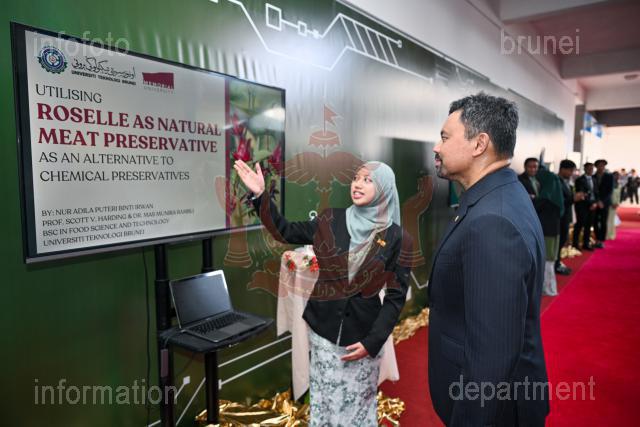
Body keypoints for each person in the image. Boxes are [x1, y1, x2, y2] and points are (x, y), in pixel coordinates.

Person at [234, 158, 412, 426]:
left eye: (368, 180)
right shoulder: (331, 220)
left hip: (363, 337)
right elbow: (285, 231)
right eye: (356, 178)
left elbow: (395, 298)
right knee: (325, 403)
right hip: (324, 333)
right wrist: (261, 196)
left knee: (357, 409)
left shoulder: (399, 239)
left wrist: (372, 342)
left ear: (385, 189)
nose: (358, 184)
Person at [429, 93, 549, 426]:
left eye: (445, 137)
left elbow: (492, 356)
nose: (437, 148)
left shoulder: (492, 221)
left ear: (479, 144)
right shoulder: (500, 196)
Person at [535, 166, 564, 295]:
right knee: (550, 261)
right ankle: (550, 287)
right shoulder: (555, 197)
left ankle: (548, 289)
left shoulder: (544, 198)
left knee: (546, 261)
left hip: (546, 233)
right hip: (554, 232)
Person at [555, 160, 585, 275]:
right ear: (563, 169)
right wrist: (573, 198)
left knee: (562, 241)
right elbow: (558, 201)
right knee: (559, 242)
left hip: (565, 216)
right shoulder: (556, 181)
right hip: (559, 217)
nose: (572, 173)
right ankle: (556, 265)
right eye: (571, 170)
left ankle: (557, 263)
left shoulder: (565, 181)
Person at [572, 163, 597, 250]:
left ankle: (586, 243)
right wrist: (591, 204)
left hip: (593, 206)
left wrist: (595, 203)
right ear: (585, 169)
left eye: (592, 169)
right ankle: (575, 244)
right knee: (579, 225)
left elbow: (596, 192)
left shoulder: (594, 179)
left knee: (588, 225)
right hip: (582, 206)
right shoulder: (579, 180)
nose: (591, 170)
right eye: (589, 168)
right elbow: (581, 193)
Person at [592, 159, 614, 248]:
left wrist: (602, 201)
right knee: (594, 221)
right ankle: (597, 239)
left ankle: (601, 240)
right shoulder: (593, 177)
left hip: (605, 203)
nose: (601, 167)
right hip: (595, 203)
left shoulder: (609, 177)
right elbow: (592, 191)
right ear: (596, 166)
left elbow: (610, 191)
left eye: (603, 165)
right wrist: (597, 201)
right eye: (599, 165)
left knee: (603, 221)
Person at [607, 171, 621, 240]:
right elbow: (607, 195)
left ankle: (612, 235)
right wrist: (611, 203)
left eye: (618, 175)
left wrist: (617, 203)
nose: (617, 177)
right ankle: (607, 235)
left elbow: (619, 195)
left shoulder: (618, 185)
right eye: (615, 175)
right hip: (608, 204)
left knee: (612, 220)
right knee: (607, 220)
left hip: (615, 205)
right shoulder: (608, 184)